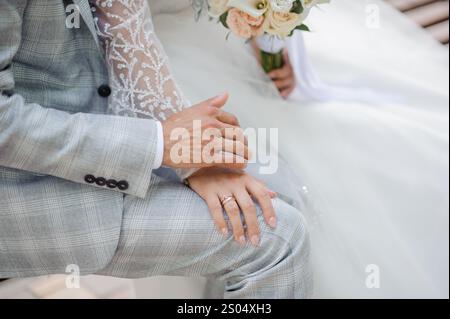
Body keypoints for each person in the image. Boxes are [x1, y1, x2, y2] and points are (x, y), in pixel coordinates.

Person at [0, 0, 312, 299]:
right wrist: (161, 145)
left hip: (102, 115)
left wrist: (192, 158)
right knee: (277, 235)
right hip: (21, 181)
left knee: (275, 189)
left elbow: (127, 27)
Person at [149, 0, 449, 298]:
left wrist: (271, 41)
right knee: (267, 187)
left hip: (232, 44)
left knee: (391, 142)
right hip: (159, 68)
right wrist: (189, 156)